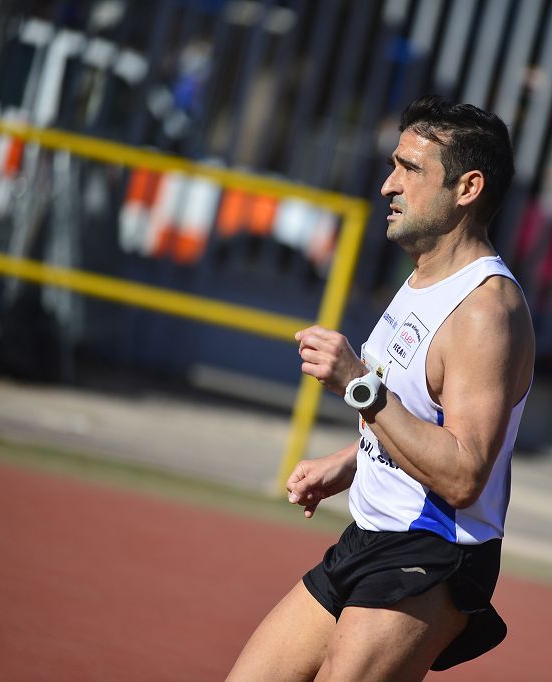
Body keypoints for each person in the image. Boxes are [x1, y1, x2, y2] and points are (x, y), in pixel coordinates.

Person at [226, 95, 534, 680]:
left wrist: (358, 386)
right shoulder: (422, 274)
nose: (388, 185)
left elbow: (465, 473)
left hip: (433, 552)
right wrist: (350, 462)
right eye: (394, 164)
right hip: (368, 537)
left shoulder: (484, 313)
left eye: (410, 169)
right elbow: (424, 417)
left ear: (467, 188)